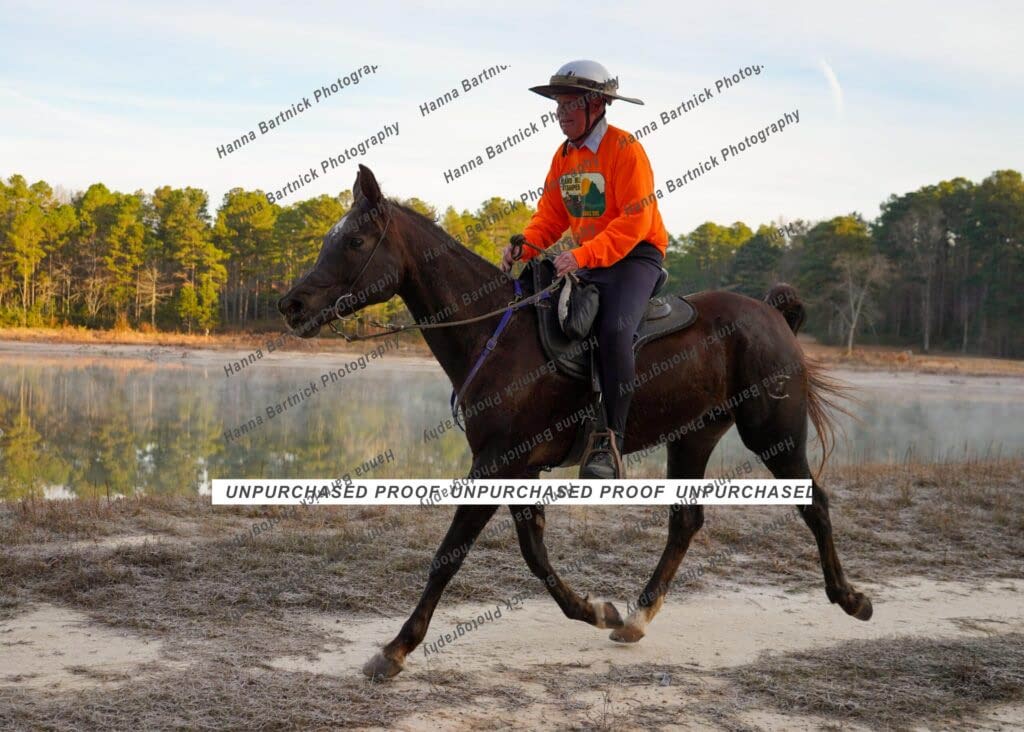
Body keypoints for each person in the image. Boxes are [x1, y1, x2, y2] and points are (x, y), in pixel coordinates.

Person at [500, 60, 669, 479]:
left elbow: (635, 221)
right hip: (591, 257)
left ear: (597, 105)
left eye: (570, 104)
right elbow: (551, 216)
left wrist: (583, 255)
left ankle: (611, 443)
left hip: (636, 256)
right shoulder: (563, 156)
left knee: (613, 331)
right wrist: (525, 245)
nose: (561, 114)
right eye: (558, 106)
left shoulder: (625, 148)